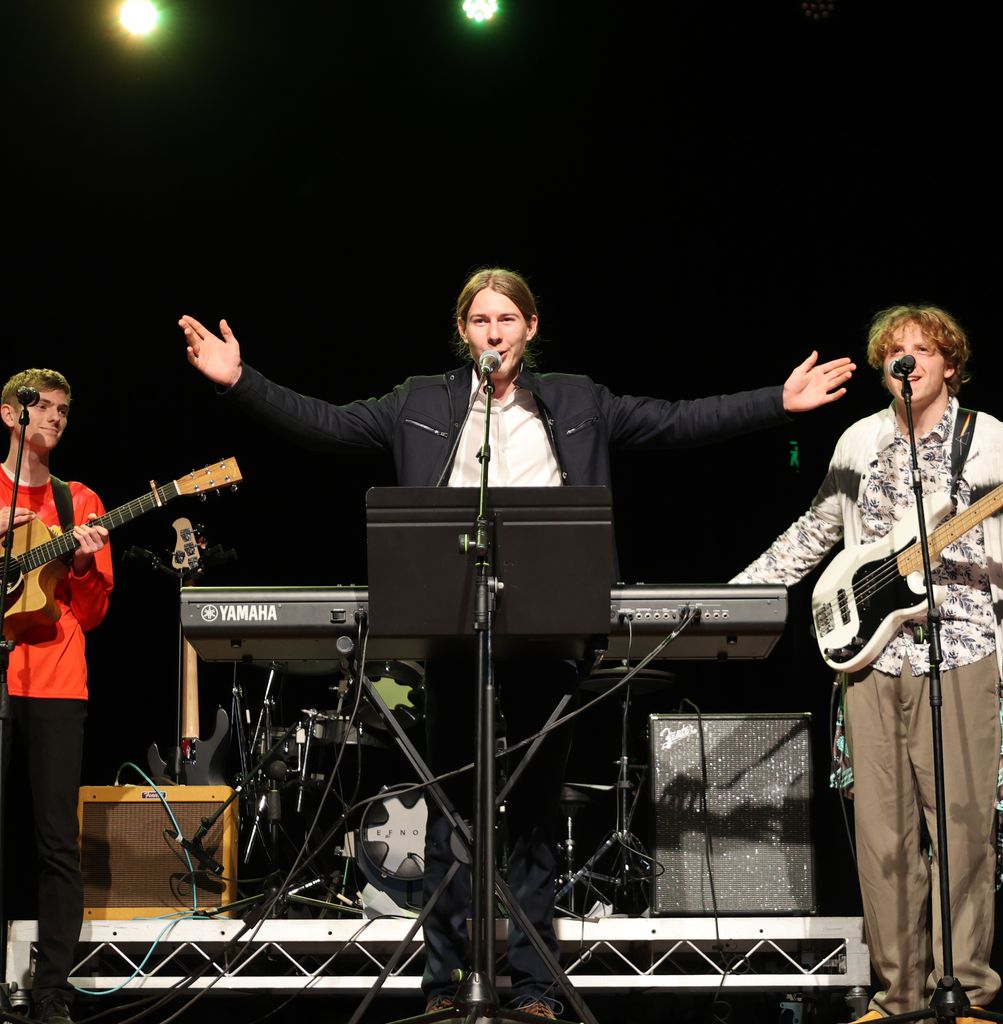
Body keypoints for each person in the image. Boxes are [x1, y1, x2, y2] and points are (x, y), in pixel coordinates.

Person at [179, 267, 854, 1019]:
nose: (493, 332)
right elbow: (328, 425)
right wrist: (241, 382)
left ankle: (535, 990)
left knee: (531, 813)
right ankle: (445, 986)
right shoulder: (420, 402)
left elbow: (677, 421)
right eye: (480, 320)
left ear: (530, 329)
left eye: (506, 319)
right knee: (450, 811)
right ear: (462, 332)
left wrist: (776, 402)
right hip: (449, 628)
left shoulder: (579, 401)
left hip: (551, 626)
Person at [732, 305, 1003, 1021]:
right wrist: (739, 594)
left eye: (923, 348)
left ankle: (965, 997)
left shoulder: (994, 442)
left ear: (950, 363)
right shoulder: (858, 441)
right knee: (881, 839)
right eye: (895, 349)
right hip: (870, 658)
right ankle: (896, 999)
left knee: (962, 833)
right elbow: (817, 531)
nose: (908, 358)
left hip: (962, 652)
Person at [1, 369, 113, 1024]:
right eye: (42, 407)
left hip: (57, 680)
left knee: (57, 843)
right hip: (2, 672)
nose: (54, 418)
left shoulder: (81, 501)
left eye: (63, 410)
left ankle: (52, 995)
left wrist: (82, 563)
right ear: (9, 414)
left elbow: (92, 613)